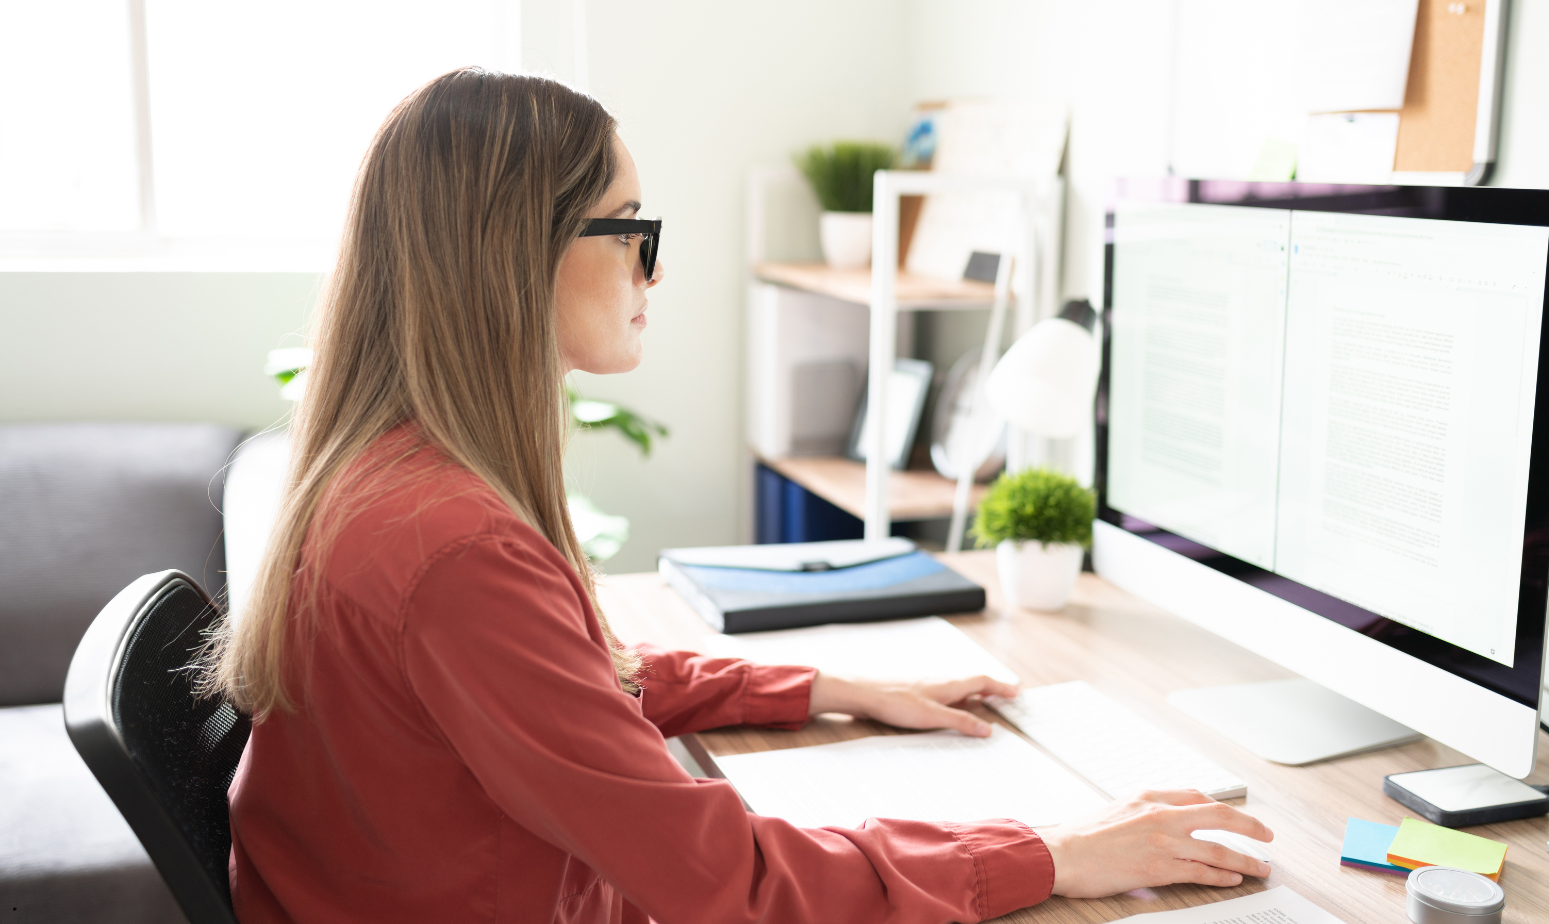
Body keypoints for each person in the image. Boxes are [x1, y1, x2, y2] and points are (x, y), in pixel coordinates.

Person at [204, 67, 1273, 924]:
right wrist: (1051, 854)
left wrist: (818, 687)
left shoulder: (391, 474)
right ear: (509, 255)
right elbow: (724, 882)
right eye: (628, 228)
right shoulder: (451, 549)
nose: (651, 270)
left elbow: (570, 691)